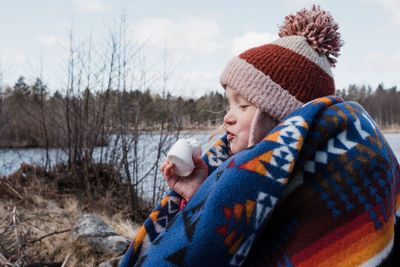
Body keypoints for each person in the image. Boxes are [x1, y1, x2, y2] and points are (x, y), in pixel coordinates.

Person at [120, 5, 400, 266]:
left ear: (286, 122)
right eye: (229, 103)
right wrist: (200, 193)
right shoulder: (236, 176)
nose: (228, 116)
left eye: (242, 105)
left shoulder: (324, 187)